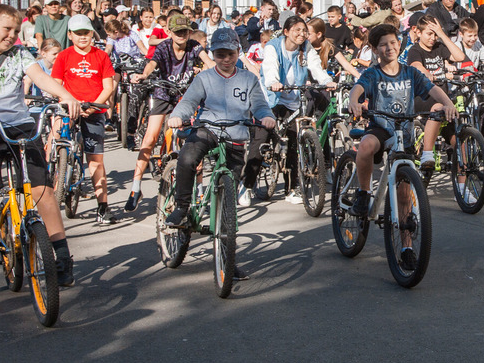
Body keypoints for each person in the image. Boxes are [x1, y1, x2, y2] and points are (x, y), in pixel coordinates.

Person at [0, 4, 82, 306]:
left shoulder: (21, 54)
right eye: (6, 29)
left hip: (20, 127)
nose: (12, 35)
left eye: (15, 30)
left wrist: (66, 95)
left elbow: (40, 77)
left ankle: (61, 259)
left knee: (43, 192)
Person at [348, 23, 457, 266]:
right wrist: (354, 101)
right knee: (365, 146)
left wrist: (448, 104)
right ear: (375, 49)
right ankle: (364, 194)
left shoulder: (410, 73)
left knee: (404, 195)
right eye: (383, 44)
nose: (390, 47)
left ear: (400, 44)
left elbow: (432, 89)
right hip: (381, 128)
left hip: (404, 133)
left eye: (393, 42)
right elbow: (357, 88)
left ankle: (407, 248)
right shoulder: (373, 73)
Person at [165, 28, 276, 230]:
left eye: (230, 54)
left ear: (238, 53)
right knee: (187, 158)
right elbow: (188, 102)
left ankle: (224, 232)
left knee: (230, 184)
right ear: (212, 55)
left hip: (235, 134)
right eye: (220, 55)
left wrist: (267, 116)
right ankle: (181, 208)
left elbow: (259, 104)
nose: (226, 59)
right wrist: (177, 116)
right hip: (207, 130)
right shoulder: (204, 78)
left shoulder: (248, 79)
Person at [125, 14, 204, 212]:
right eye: (177, 32)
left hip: (186, 96)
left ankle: (200, 190)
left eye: (185, 31)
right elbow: (152, 63)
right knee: (150, 139)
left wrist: (218, 74)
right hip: (163, 93)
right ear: (169, 32)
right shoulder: (163, 47)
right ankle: (136, 188)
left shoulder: (194, 46)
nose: (181, 36)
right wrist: (144, 74)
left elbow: (209, 62)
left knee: (196, 141)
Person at [259, 16, 335, 203]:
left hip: (293, 98)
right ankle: (247, 184)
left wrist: (326, 81)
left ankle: (292, 189)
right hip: (273, 97)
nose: (302, 34)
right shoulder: (273, 46)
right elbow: (270, 68)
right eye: (297, 30)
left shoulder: (306, 48)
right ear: (286, 32)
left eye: (304, 31)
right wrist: (273, 82)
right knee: (260, 139)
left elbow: (316, 68)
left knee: (295, 140)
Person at [52, 15, 118, 225]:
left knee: (95, 160)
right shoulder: (63, 56)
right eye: (78, 33)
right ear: (70, 35)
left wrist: (94, 105)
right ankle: (54, 175)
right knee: (54, 135)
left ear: (92, 33)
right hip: (69, 107)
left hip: (94, 110)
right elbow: (56, 83)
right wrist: (66, 100)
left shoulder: (101, 56)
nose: (82, 37)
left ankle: (102, 207)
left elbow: (109, 86)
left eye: (86, 33)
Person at [406, 14, 466, 171]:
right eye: (429, 33)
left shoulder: (439, 47)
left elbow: (460, 56)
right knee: (438, 107)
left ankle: (464, 188)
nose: (432, 38)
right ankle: (426, 153)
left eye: (435, 34)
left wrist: (442, 34)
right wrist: (426, 73)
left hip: (444, 99)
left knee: (460, 143)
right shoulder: (415, 50)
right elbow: (416, 65)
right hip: (424, 98)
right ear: (418, 33)